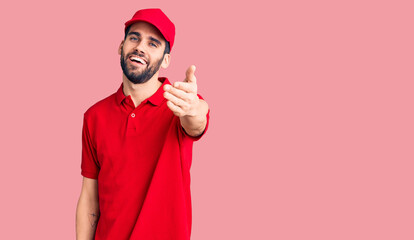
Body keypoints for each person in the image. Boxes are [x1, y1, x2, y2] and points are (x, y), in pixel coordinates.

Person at [75, 8, 210, 240]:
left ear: (166, 60)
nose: (140, 47)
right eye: (134, 38)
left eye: (153, 43)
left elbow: (197, 121)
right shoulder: (94, 116)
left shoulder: (179, 106)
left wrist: (193, 109)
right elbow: (89, 197)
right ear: (121, 46)